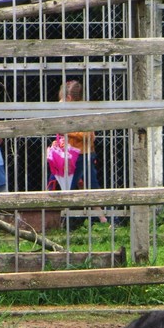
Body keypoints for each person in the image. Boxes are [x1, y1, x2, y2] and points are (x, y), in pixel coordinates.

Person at [48, 80, 107, 224]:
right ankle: (53, 220)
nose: (60, 101)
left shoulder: (83, 111)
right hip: (68, 155)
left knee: (88, 187)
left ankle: (103, 219)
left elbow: (89, 136)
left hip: (82, 155)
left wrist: (68, 132)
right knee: (58, 184)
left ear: (69, 99)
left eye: (62, 98)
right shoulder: (65, 111)